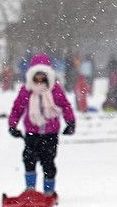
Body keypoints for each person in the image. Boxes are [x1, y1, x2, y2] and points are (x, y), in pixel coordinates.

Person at [7, 54, 75, 195]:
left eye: (42, 76)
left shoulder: (55, 90)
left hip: (50, 133)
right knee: (29, 159)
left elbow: (65, 106)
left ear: (47, 76)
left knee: (48, 162)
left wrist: (70, 122)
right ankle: (30, 189)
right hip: (32, 132)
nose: (39, 80)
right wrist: (12, 125)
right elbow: (17, 108)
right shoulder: (26, 90)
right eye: (36, 76)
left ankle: (48, 191)